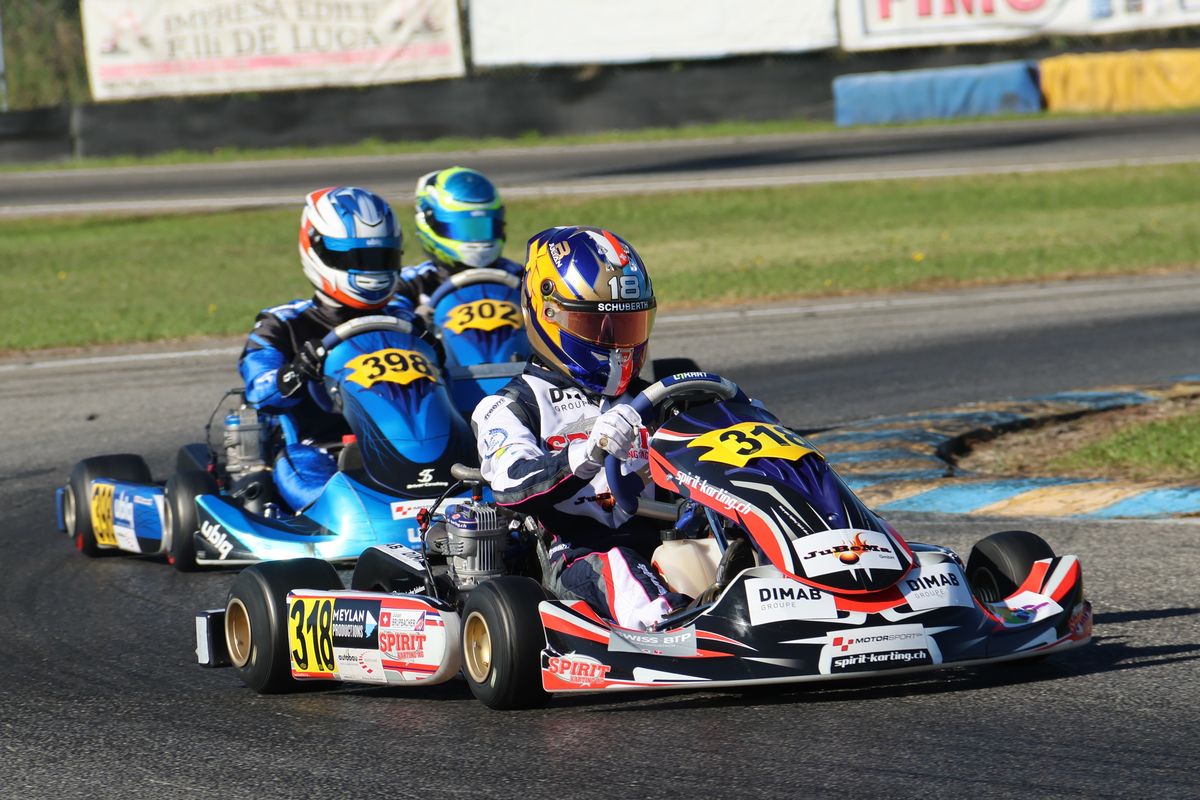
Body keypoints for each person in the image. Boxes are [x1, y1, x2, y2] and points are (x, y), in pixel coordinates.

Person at [470, 225, 685, 631]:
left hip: (666, 542)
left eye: (628, 326)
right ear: (549, 314)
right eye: (598, 327)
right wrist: (587, 453)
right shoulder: (511, 406)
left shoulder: (660, 399)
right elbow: (513, 484)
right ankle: (670, 627)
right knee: (618, 565)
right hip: (575, 555)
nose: (618, 344)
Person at [239, 186, 429, 512]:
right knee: (308, 476)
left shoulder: (405, 320)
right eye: (355, 259)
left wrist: (436, 354)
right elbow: (259, 391)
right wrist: (296, 372)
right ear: (318, 251)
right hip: (323, 450)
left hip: (411, 447)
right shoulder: (282, 324)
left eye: (381, 258)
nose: (370, 270)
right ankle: (339, 514)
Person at [397, 167, 523, 308]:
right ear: (429, 222)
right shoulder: (412, 283)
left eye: (483, 228)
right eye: (466, 229)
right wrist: (417, 318)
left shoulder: (524, 277)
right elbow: (389, 313)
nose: (476, 238)